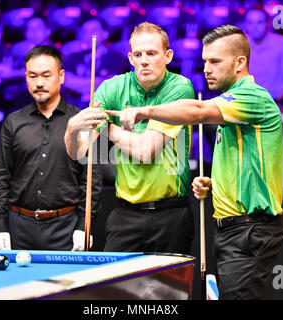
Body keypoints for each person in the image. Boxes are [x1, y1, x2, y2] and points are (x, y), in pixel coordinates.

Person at [106, 25, 283, 300]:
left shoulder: (252, 97)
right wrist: (214, 184)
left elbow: (199, 111)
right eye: (204, 62)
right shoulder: (232, 106)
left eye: (215, 61)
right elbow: (250, 165)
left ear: (240, 63)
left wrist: (145, 111)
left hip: (249, 229)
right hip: (234, 228)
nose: (206, 69)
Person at [64, 22, 195, 255]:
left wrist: (109, 128)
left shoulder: (180, 88)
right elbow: (78, 153)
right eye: (138, 54)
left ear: (168, 56)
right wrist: (72, 129)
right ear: (130, 58)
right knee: (116, 290)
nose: (144, 60)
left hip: (171, 213)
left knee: (169, 291)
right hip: (125, 214)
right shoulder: (111, 88)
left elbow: (146, 152)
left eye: (152, 53)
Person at [0, 45, 102, 251]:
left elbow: (90, 180)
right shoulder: (13, 122)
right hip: (19, 227)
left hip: (66, 227)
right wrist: (0, 226)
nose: (39, 83)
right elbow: (1, 176)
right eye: (33, 76)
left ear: (61, 76)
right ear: (26, 78)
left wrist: (83, 226)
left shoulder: (82, 121)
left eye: (46, 75)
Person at [62, 19, 128, 108]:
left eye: (93, 31)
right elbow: (67, 82)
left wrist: (79, 84)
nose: (88, 35)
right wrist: (98, 82)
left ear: (105, 34)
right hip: (76, 110)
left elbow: (110, 86)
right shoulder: (74, 57)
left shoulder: (115, 57)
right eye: (84, 32)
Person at [243, 6, 283, 103]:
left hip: (276, 103)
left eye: (259, 22)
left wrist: (274, 101)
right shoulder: (239, 44)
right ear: (245, 24)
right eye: (250, 22)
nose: (254, 27)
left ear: (268, 24)